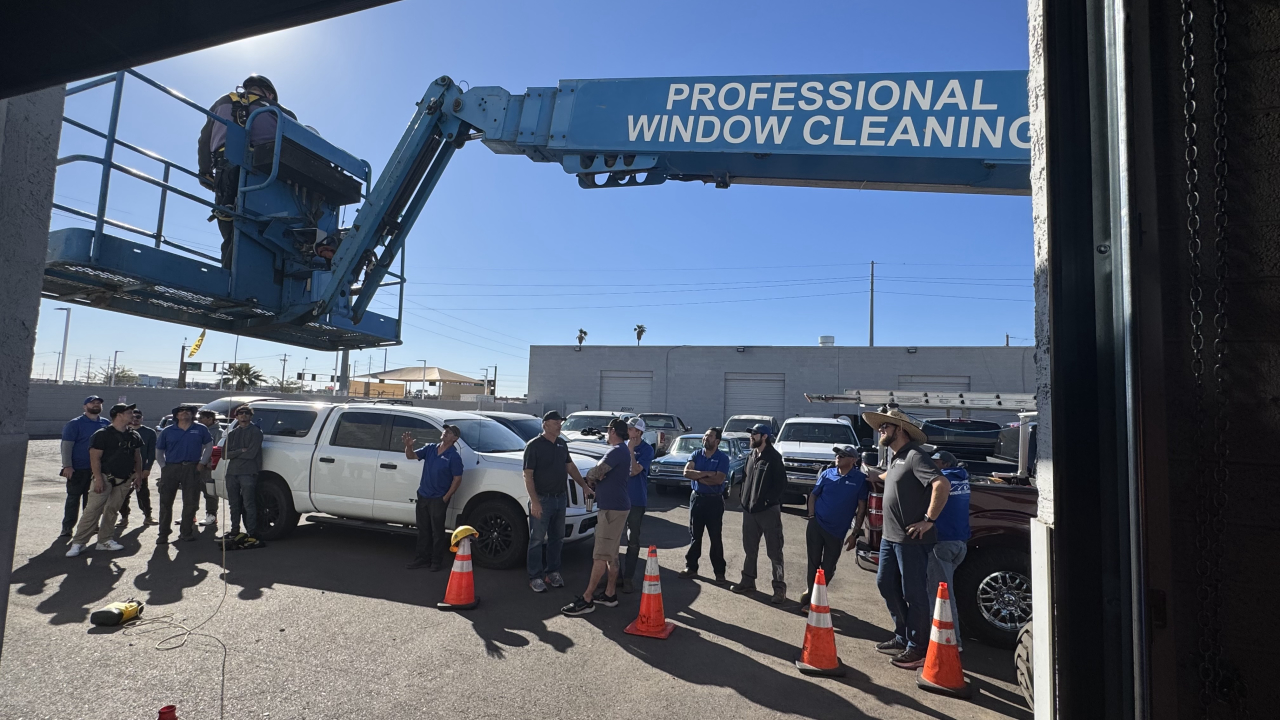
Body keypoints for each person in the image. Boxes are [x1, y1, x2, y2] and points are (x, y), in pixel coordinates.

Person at [860, 407, 950, 670]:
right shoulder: (898, 458)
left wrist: (928, 520)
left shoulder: (915, 456)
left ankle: (918, 648)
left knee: (914, 592)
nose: (880, 430)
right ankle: (902, 637)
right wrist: (870, 474)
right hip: (890, 538)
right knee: (885, 584)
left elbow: (941, 484)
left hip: (911, 539)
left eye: (885, 426)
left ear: (900, 429)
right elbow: (888, 475)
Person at [196, 74, 297, 268]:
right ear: (269, 93)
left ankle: (227, 275)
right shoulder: (278, 110)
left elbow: (204, 139)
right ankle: (236, 277)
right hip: (263, 175)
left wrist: (205, 172)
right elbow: (297, 142)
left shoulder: (222, 102)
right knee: (257, 229)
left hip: (224, 171)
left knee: (229, 226)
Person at [562, 418, 632, 616]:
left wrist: (592, 479)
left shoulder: (616, 451)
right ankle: (610, 594)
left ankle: (587, 599)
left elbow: (595, 472)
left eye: (608, 431)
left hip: (611, 510)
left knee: (600, 555)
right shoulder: (623, 451)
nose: (607, 434)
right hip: (617, 507)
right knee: (612, 554)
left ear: (614, 432)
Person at [523, 411, 591, 593]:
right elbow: (528, 475)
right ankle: (535, 577)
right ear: (545, 424)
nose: (559, 426)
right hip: (542, 499)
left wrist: (584, 486)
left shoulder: (561, 444)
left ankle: (552, 572)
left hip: (560, 499)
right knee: (537, 540)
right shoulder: (534, 445)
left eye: (560, 422)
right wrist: (535, 502)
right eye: (555, 423)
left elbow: (570, 466)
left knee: (557, 538)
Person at [65, 404, 143, 557]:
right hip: (105, 478)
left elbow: (137, 456)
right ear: (119, 415)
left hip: (124, 479)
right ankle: (79, 542)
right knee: (93, 510)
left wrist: (138, 475)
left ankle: (105, 540)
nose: (133, 415)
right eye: (129, 412)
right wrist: (98, 479)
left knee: (112, 510)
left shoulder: (133, 435)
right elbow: (95, 458)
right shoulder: (102, 434)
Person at [800, 445, 870, 607]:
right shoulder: (827, 473)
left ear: (853, 460)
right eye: (837, 454)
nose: (838, 457)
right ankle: (812, 598)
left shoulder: (860, 479)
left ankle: (815, 592)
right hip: (817, 525)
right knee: (813, 563)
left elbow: (861, 508)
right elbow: (813, 495)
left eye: (843, 455)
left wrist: (854, 534)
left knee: (828, 567)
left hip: (837, 531)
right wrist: (811, 516)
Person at [731, 423, 789, 604]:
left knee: (774, 551)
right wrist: (743, 499)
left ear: (764, 437)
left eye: (755, 434)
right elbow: (745, 479)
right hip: (749, 511)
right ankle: (748, 582)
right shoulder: (751, 456)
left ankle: (779, 589)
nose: (751, 436)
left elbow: (781, 485)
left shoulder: (773, 457)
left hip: (768, 512)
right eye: (751, 434)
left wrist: (766, 501)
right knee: (750, 549)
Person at [403, 424, 464, 570]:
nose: (445, 432)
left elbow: (457, 479)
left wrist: (446, 497)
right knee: (423, 529)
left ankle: (436, 561)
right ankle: (421, 558)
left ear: (455, 438)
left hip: (438, 498)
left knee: (437, 531)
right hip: (424, 495)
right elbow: (411, 456)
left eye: (449, 432)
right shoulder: (430, 448)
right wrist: (409, 446)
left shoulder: (454, 456)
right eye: (445, 430)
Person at [927, 450, 971, 649]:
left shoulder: (941, 480)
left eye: (935, 462)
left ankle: (951, 642)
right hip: (960, 543)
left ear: (945, 464)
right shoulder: (962, 478)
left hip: (942, 543)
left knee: (942, 595)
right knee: (943, 590)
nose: (931, 465)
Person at [679, 427, 731, 585]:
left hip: (714, 501)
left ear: (717, 441)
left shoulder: (722, 458)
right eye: (705, 435)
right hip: (697, 499)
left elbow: (719, 479)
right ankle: (691, 567)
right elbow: (687, 472)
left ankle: (719, 572)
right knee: (695, 535)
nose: (705, 438)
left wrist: (698, 476)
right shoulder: (696, 454)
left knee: (715, 537)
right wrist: (708, 473)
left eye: (710, 436)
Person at [155, 405, 214, 544]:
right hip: (171, 468)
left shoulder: (200, 429)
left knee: (191, 502)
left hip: (192, 468)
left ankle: (186, 532)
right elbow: (159, 450)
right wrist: (164, 467)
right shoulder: (168, 431)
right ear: (176, 415)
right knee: (165, 502)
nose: (184, 413)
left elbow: (209, 446)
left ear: (193, 415)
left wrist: (202, 462)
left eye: (188, 411)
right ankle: (163, 534)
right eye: (181, 411)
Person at [59, 396, 109, 538]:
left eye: (98, 403)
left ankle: (90, 526)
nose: (96, 405)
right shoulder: (75, 424)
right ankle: (67, 528)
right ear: (85, 406)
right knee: (73, 499)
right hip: (78, 469)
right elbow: (66, 446)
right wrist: (67, 466)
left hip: (97, 470)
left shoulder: (105, 424)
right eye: (92, 403)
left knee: (93, 500)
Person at [221, 405, 265, 549]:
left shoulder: (256, 432)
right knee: (234, 504)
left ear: (251, 416)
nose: (243, 415)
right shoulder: (232, 433)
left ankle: (251, 532)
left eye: (247, 413)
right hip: (232, 473)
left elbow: (251, 454)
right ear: (236, 416)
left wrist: (235, 453)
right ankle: (234, 531)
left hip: (248, 472)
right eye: (240, 413)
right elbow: (224, 454)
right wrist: (240, 451)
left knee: (248, 504)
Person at [621, 416, 655, 594]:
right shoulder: (621, 445)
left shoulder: (647, 450)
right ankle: (614, 576)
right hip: (619, 499)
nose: (627, 431)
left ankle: (628, 578)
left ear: (639, 432)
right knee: (613, 539)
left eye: (630, 429)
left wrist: (631, 451)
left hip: (636, 500)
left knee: (632, 539)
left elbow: (634, 471)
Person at [117, 408, 157, 526]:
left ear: (142, 418)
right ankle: (124, 517)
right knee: (123, 495)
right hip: (124, 470)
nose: (135, 419)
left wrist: (147, 468)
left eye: (138, 417)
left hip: (141, 469)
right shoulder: (121, 431)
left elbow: (151, 453)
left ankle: (148, 516)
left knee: (143, 494)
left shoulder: (149, 433)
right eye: (133, 417)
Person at [196, 410, 223, 528]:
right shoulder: (197, 430)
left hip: (208, 468)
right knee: (192, 490)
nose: (199, 420)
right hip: (195, 465)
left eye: (201, 418)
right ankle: (190, 514)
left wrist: (211, 463)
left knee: (210, 492)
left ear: (210, 419)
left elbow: (219, 450)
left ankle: (211, 515)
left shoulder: (218, 432)